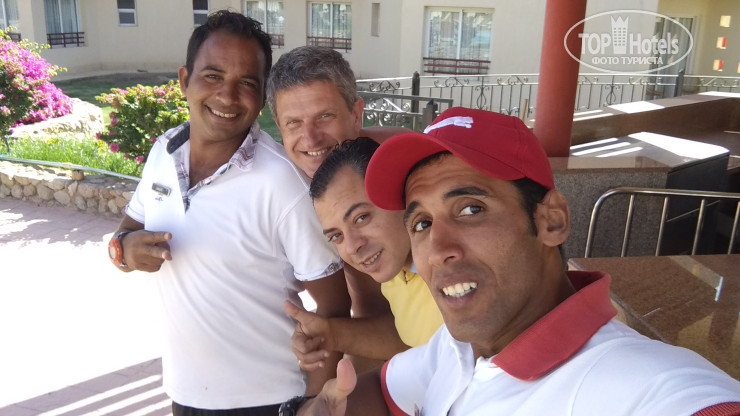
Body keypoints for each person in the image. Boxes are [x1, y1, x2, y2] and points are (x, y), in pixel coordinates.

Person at [290, 107, 740, 415]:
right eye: (421, 223)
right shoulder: (458, 347)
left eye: (470, 209)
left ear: (551, 220)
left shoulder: (638, 385)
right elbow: (383, 392)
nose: (438, 249)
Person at [106, 11, 350, 415]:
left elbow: (334, 308)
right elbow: (125, 233)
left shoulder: (281, 183)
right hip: (186, 393)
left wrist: (311, 403)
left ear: (262, 97)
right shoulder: (164, 151)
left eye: (247, 83)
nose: (227, 96)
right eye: (213, 76)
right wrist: (124, 251)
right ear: (184, 80)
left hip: (268, 400)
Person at [266, 46, 410, 372]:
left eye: (325, 117)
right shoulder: (283, 188)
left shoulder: (402, 169)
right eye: (294, 123)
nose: (311, 139)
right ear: (279, 125)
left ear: (356, 115)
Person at [283, 138, 444, 371]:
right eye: (336, 236)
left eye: (361, 218)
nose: (352, 247)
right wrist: (331, 333)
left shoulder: (454, 267)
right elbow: (414, 341)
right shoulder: (396, 276)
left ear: (400, 194)